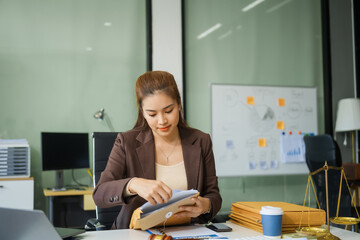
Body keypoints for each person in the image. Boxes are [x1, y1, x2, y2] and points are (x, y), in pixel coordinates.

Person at [92, 71, 222, 229]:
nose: (162, 121)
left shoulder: (201, 141)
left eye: (168, 111)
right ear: (142, 111)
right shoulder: (127, 142)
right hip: (137, 233)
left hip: (188, 232)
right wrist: (133, 184)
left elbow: (213, 195)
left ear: (179, 103)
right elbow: (99, 194)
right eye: (152, 114)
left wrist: (206, 205)